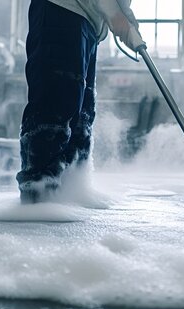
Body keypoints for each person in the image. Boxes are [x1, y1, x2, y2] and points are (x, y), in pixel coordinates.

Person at [17, 0, 145, 203]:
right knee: (56, 108)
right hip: (62, 9)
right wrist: (116, 16)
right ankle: (38, 197)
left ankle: (71, 195)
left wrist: (130, 26)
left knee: (81, 120)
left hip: (89, 22)